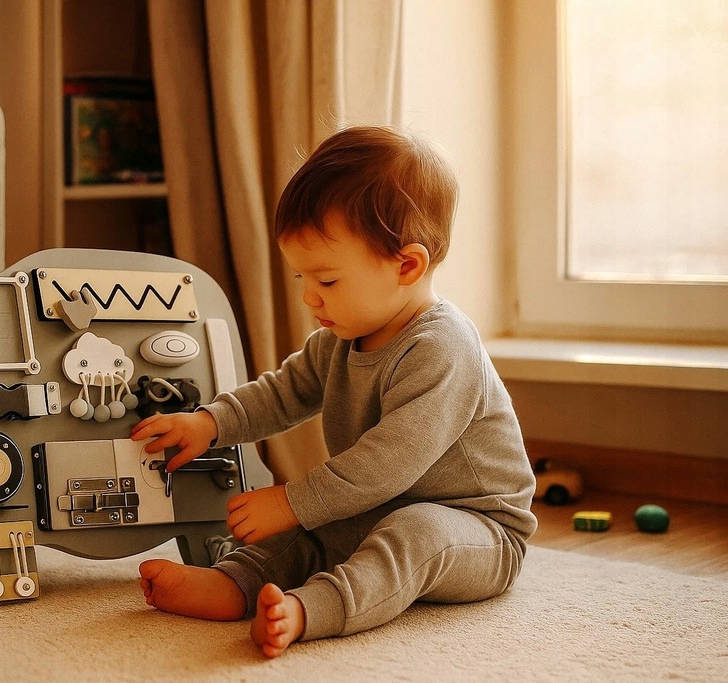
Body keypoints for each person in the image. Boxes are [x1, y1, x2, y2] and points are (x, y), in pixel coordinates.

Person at [130, 126, 537, 659]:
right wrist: (210, 422)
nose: (308, 297)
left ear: (406, 266)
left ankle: (312, 609)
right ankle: (235, 583)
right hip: (377, 505)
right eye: (301, 277)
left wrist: (291, 500)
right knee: (310, 531)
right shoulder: (341, 339)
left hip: (477, 529)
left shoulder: (443, 347)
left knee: (410, 531)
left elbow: (388, 463)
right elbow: (282, 393)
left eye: (326, 281)